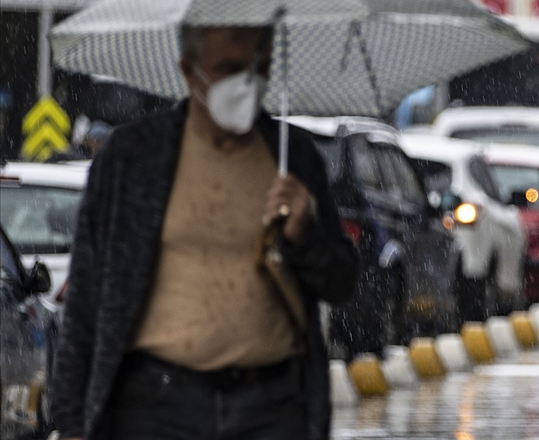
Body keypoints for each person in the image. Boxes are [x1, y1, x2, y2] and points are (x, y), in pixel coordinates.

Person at [50, 24, 359, 440]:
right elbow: (87, 293)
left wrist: (304, 233)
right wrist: (71, 423)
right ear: (189, 71)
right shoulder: (132, 158)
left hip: (272, 405)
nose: (245, 82)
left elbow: (340, 282)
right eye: (228, 68)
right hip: (156, 405)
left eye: (257, 66)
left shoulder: (294, 158)